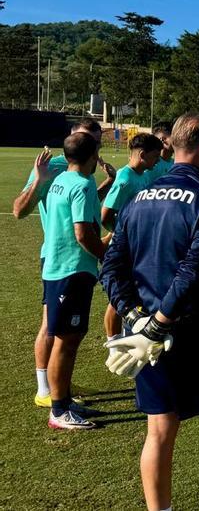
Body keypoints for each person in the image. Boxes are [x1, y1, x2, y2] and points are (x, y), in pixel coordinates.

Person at [100, 113, 199, 511]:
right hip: (192, 334)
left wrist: (136, 318)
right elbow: (193, 272)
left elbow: (111, 266)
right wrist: (157, 324)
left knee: (160, 430)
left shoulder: (139, 198)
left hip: (148, 338)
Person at [13, 117, 113, 410]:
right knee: (52, 328)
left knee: (62, 331)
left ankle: (59, 386)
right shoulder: (55, 168)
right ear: (72, 138)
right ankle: (46, 390)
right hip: (60, 255)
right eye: (86, 140)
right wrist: (40, 180)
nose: (92, 147)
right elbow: (19, 210)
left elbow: (81, 208)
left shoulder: (81, 175)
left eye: (95, 142)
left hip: (73, 254)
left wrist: (108, 183)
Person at [40, 132, 108, 429]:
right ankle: (58, 411)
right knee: (66, 341)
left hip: (59, 268)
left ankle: (65, 402)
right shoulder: (81, 185)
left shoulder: (60, 181)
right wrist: (105, 250)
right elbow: (82, 233)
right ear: (93, 155)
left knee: (68, 338)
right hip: (71, 271)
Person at [100, 133, 164, 342]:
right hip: (125, 244)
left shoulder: (144, 174)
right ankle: (113, 341)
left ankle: (130, 334)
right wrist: (118, 232)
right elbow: (106, 214)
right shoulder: (125, 179)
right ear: (142, 154)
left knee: (135, 290)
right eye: (155, 156)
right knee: (120, 295)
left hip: (139, 244)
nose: (157, 162)